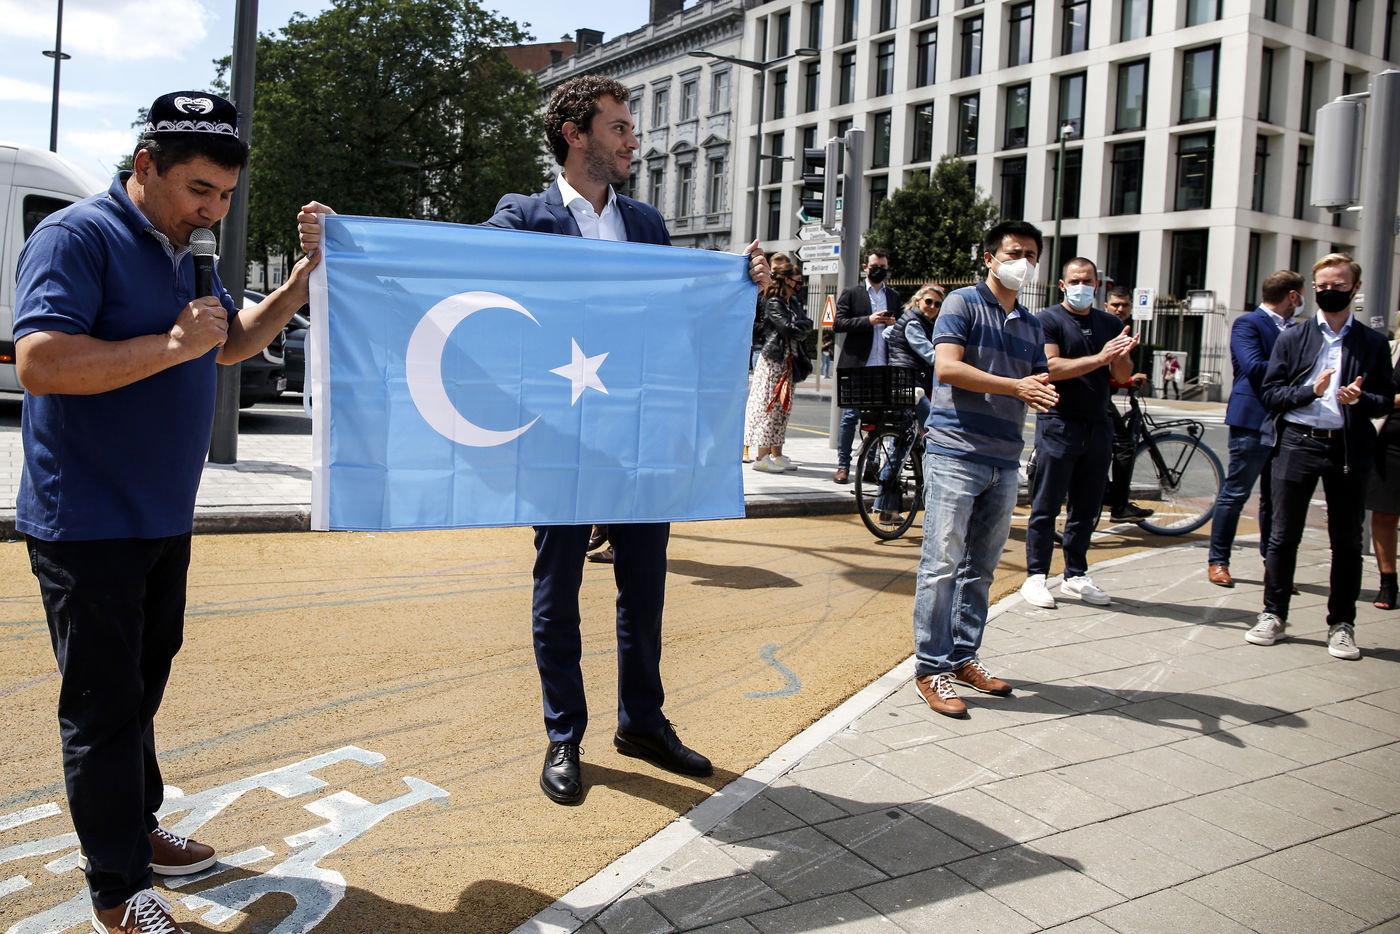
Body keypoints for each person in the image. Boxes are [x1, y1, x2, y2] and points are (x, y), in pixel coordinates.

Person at [299, 75, 771, 805]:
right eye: (619, 127)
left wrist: (742, 281)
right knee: (558, 588)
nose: (634, 140)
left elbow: (681, 313)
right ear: (576, 135)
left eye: (631, 127)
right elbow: (449, 265)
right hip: (556, 438)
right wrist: (350, 240)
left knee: (644, 587)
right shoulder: (524, 216)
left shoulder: (646, 223)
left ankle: (642, 723)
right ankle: (564, 735)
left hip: (635, 435)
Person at [15, 91, 316, 934]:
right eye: (198, 190)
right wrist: (172, 345)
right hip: (87, 519)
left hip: (160, 514)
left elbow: (227, 344)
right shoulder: (75, 236)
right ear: (146, 166)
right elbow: (41, 362)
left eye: (224, 195)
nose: (211, 210)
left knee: (139, 692)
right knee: (103, 706)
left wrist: (298, 285)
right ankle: (117, 890)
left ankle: (135, 828)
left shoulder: (187, 247)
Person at [911, 220, 1057, 717]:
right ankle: (931, 669)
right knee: (941, 565)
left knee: (981, 570)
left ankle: (963, 656)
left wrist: (1043, 390)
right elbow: (947, 367)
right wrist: (1016, 387)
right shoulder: (962, 303)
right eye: (1015, 253)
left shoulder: (1032, 325)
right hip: (955, 452)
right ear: (990, 258)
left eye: (1032, 255)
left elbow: (1037, 377)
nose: (1024, 262)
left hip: (1004, 457)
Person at [1248, 253, 1396, 660]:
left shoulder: (1372, 342)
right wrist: (1308, 392)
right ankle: (1273, 613)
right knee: (1283, 535)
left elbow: (1385, 399)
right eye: (1323, 286)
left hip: (1347, 446)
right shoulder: (1293, 337)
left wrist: (1360, 399)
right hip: (1297, 442)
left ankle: (1342, 624)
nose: (1330, 292)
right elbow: (1270, 394)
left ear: (1355, 288)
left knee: (1346, 541)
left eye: (1339, 285)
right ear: (1313, 289)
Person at [1019, 259, 1137, 610]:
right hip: (1059, 422)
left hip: (1097, 423)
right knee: (1046, 504)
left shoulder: (1110, 323)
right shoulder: (1048, 320)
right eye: (1075, 281)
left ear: (1097, 284)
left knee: (1087, 506)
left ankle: (1076, 574)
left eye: (1087, 281)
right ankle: (1036, 575)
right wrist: (1101, 358)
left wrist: (1120, 355)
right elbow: (1051, 367)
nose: (1081, 286)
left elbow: (1122, 374)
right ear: (1062, 284)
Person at [1205, 270, 1303, 587]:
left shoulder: (1296, 328)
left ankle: (1274, 566)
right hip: (1253, 420)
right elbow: (1255, 367)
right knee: (1235, 493)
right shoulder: (1248, 323)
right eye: (1302, 294)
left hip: (1287, 421)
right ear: (1293, 296)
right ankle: (1218, 561)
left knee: (1276, 499)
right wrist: (1300, 369)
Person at [832, 249, 902, 483]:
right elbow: (839, 323)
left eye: (883, 266)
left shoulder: (893, 296)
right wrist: (869, 321)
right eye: (875, 266)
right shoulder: (853, 293)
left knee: (877, 420)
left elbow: (901, 326)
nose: (879, 270)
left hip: (883, 366)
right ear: (865, 268)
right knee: (850, 417)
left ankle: (871, 465)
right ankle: (843, 465)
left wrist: (893, 323)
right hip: (857, 366)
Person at [876, 283, 944, 521]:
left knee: (903, 444)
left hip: (901, 384)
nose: (932, 306)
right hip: (910, 387)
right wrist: (954, 359)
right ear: (918, 301)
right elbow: (930, 355)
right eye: (928, 301)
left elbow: (887, 334)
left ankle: (887, 509)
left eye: (937, 304)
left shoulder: (908, 321)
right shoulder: (914, 323)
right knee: (937, 431)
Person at [746, 253, 812, 473]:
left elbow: (807, 323)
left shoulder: (792, 302)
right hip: (774, 361)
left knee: (783, 410)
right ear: (786, 280)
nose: (799, 284)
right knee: (769, 406)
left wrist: (801, 327)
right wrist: (800, 328)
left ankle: (777, 453)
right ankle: (761, 457)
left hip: (788, 362)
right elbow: (787, 328)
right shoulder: (774, 302)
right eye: (797, 280)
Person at [1101, 286, 1154, 523]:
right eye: (1116, 305)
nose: (1120, 309)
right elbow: (1103, 370)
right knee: (1124, 446)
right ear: (1106, 306)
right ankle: (1119, 505)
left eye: (1125, 305)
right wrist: (1130, 381)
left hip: (1102, 395)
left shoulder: (1116, 329)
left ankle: (1108, 492)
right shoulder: (1108, 328)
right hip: (1098, 397)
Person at [1365, 330, 1400, 609]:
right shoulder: (1390, 349)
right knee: (1385, 513)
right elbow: (1375, 395)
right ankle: (1388, 582)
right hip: (1390, 443)